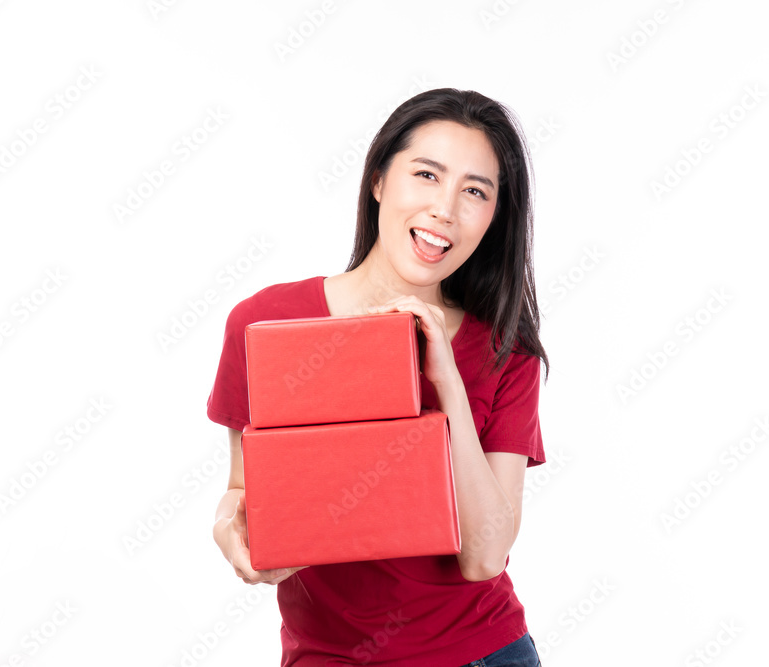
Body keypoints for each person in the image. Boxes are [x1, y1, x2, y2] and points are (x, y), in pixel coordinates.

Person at [207, 87, 550, 666]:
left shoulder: (504, 352)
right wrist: (230, 530)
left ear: (494, 217)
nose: (445, 208)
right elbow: (247, 488)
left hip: (481, 653)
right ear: (378, 181)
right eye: (426, 175)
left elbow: (485, 557)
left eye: (474, 191)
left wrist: (446, 383)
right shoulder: (266, 323)